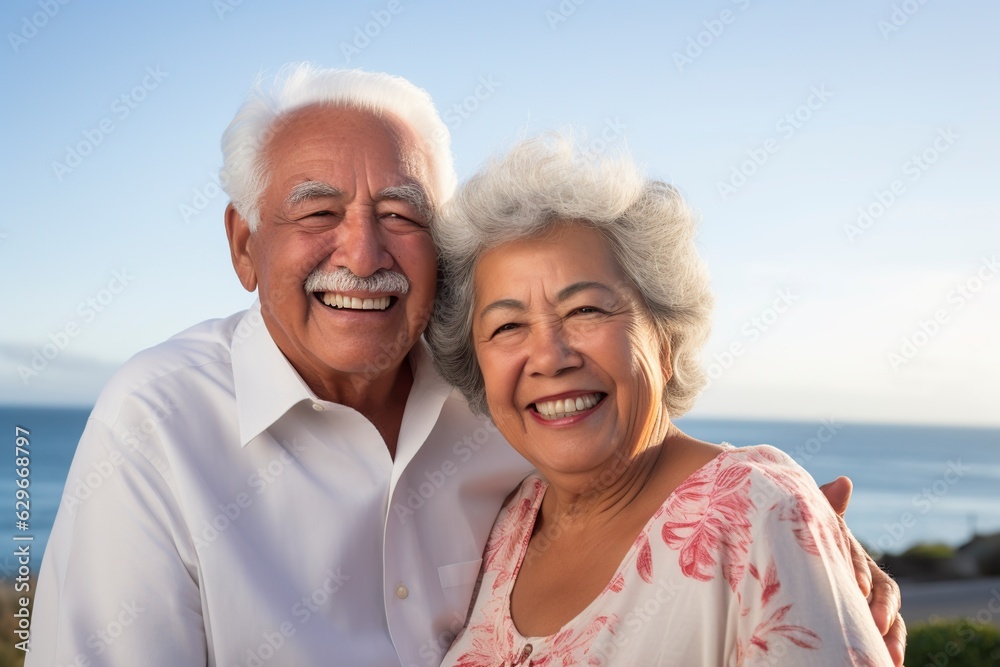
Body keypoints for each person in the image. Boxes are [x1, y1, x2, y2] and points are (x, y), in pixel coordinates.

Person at [26, 65, 903, 667]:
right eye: (318, 209)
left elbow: (661, 474)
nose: (362, 252)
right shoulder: (159, 422)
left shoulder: (503, 410)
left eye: (401, 213)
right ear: (244, 244)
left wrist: (794, 533)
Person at [429, 134, 897, 665]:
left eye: (586, 311)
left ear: (666, 338)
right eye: (508, 325)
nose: (550, 356)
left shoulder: (759, 513)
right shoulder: (505, 524)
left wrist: (797, 515)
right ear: (478, 367)